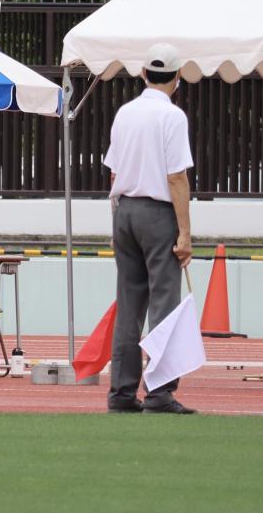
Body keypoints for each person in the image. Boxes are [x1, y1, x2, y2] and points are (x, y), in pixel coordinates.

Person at [103, 43, 196, 414]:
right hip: (158, 213)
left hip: (124, 209)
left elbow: (113, 170)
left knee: (129, 306)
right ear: (177, 78)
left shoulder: (125, 113)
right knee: (164, 305)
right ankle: (159, 391)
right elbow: (176, 177)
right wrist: (185, 233)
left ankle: (121, 393)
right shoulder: (172, 117)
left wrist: (116, 221)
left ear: (143, 74)